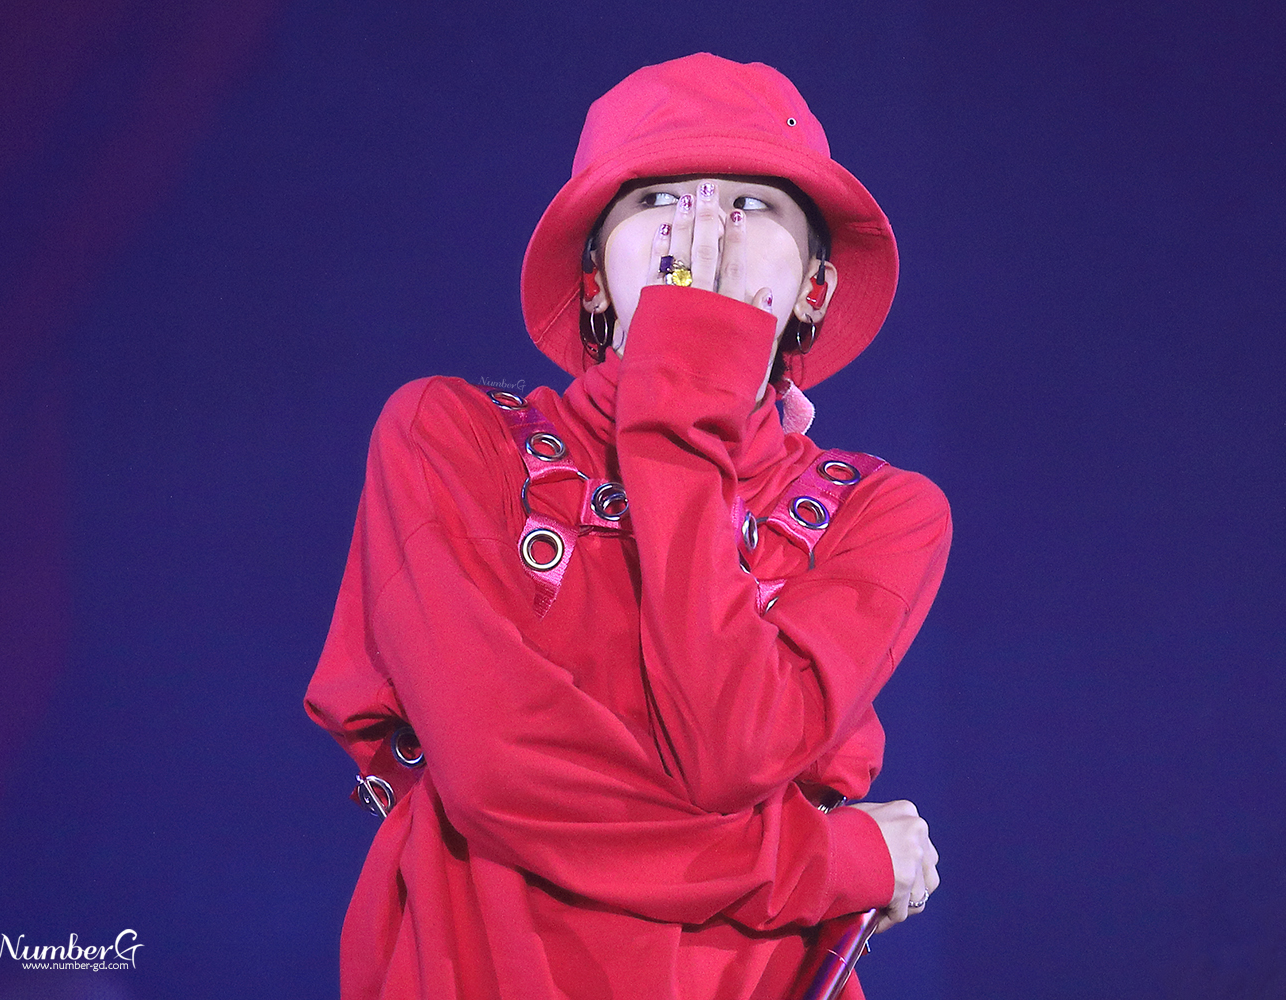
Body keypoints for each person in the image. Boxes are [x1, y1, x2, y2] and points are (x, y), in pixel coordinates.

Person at [305, 52, 952, 1000]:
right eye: (658, 201)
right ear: (594, 283)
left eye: (751, 205)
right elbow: (499, 773)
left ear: (814, 288)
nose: (703, 234)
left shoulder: (881, 512)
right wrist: (829, 859)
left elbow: (731, 750)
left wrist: (683, 390)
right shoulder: (449, 436)